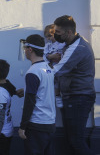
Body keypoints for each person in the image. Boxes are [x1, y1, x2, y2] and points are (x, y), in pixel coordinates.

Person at [53, 15, 96, 155]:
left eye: (58, 32)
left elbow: (57, 71)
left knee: (76, 141)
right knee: (72, 140)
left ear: (69, 32)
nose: (55, 35)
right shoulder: (73, 44)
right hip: (74, 98)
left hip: (78, 98)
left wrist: (37, 71)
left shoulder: (77, 48)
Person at [18, 34, 56, 155]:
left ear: (30, 49)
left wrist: (22, 126)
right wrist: (25, 89)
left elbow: (30, 101)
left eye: (25, 48)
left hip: (36, 125)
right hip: (49, 122)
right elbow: (43, 90)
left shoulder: (33, 72)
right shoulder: (48, 68)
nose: (24, 51)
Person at [0, 59, 23, 155]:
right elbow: (12, 90)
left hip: (1, 134)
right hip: (2, 132)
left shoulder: (0, 93)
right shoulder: (6, 84)